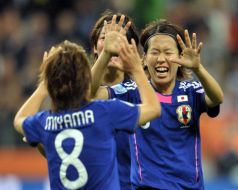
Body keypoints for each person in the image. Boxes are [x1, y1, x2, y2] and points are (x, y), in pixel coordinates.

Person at [13, 22, 161, 190]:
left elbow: (20, 119)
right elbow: (154, 108)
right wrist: (136, 69)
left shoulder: (45, 122)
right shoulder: (104, 112)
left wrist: (43, 86)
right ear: (85, 80)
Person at [93, 19, 224, 189]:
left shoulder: (191, 90)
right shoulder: (132, 90)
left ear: (180, 58)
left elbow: (217, 98)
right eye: (155, 52)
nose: (161, 59)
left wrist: (198, 69)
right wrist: (106, 54)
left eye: (168, 52)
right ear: (145, 59)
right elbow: (92, 94)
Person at [90, 10, 140, 190]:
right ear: (95, 47)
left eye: (121, 38)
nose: (113, 43)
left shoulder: (143, 92)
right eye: (105, 38)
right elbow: (86, 94)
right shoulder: (74, 93)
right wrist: (106, 54)